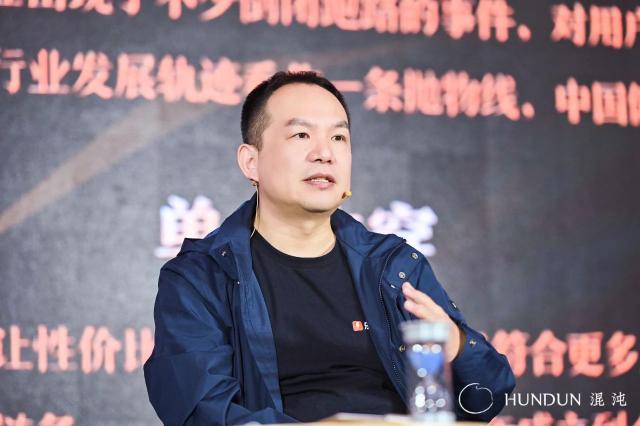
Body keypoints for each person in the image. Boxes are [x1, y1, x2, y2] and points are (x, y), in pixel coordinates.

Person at [143, 70, 516, 426]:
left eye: (339, 138)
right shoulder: (202, 277)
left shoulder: (393, 266)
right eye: (301, 135)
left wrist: (457, 346)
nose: (325, 153)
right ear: (251, 162)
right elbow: (203, 412)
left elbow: (487, 397)